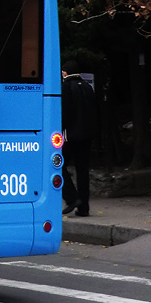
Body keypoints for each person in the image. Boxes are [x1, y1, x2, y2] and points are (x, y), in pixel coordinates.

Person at [61, 58, 97, 217]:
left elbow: (64, 112)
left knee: (58, 165)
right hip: (87, 135)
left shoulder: (66, 87)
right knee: (83, 170)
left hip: (70, 135)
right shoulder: (88, 87)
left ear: (64, 72)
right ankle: (84, 207)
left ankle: (72, 197)